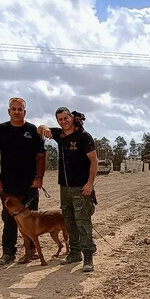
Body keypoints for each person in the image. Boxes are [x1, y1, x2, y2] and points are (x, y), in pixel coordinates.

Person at [38, 108, 98, 272]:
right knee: (69, 222)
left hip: (81, 188)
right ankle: (74, 253)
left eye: (66, 118)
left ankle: (88, 257)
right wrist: (45, 128)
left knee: (83, 223)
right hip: (64, 187)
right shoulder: (59, 135)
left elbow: (94, 161)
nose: (63, 121)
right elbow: (40, 128)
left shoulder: (84, 137)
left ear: (72, 117)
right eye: (59, 119)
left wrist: (90, 184)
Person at [0, 97, 46, 265]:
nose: (16, 112)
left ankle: (31, 251)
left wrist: (39, 177)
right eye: (13, 109)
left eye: (20, 109)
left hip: (29, 184)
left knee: (31, 219)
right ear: (9, 111)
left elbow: (41, 155)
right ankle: (8, 252)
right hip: (8, 184)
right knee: (9, 219)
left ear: (24, 112)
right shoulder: (1, 130)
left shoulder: (32, 130)